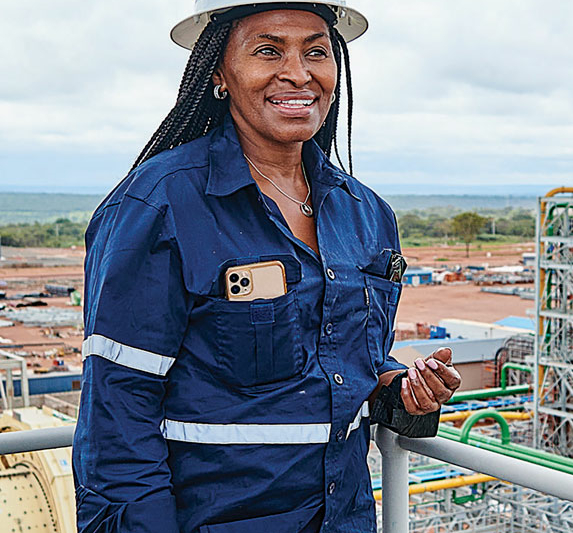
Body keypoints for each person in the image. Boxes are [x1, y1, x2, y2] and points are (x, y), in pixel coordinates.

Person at [72, 2, 462, 532]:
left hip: (343, 520)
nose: (298, 73)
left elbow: (336, 360)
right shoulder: (160, 207)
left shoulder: (365, 214)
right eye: (267, 50)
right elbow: (117, 419)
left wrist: (396, 386)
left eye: (317, 52)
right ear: (218, 73)